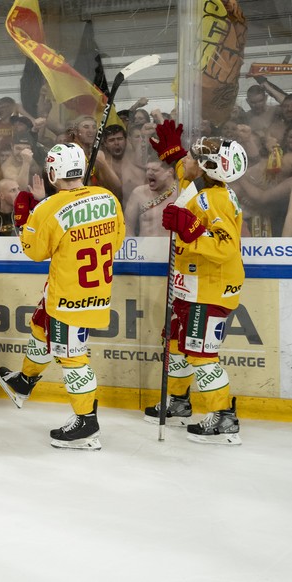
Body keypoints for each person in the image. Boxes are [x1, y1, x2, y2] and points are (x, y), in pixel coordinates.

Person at [0, 143, 125, 450]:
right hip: (93, 290)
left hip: (69, 296)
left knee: (72, 357)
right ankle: (24, 381)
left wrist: (29, 218)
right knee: (41, 328)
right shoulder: (108, 198)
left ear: (53, 173)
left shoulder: (49, 208)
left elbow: (34, 252)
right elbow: (117, 239)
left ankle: (86, 424)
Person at [142, 121, 247, 445]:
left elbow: (226, 248)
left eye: (201, 155)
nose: (194, 155)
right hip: (193, 285)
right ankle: (178, 400)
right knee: (176, 344)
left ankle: (224, 418)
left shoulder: (215, 200)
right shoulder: (203, 187)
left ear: (212, 168)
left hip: (210, 288)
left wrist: (191, 231)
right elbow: (186, 176)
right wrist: (175, 154)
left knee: (201, 354)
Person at [123, 158, 178, 236]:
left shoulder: (181, 194)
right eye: (147, 169)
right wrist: (134, 246)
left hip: (170, 247)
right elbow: (127, 228)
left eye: (155, 170)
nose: (149, 173)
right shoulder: (138, 193)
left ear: (170, 172)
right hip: (143, 247)